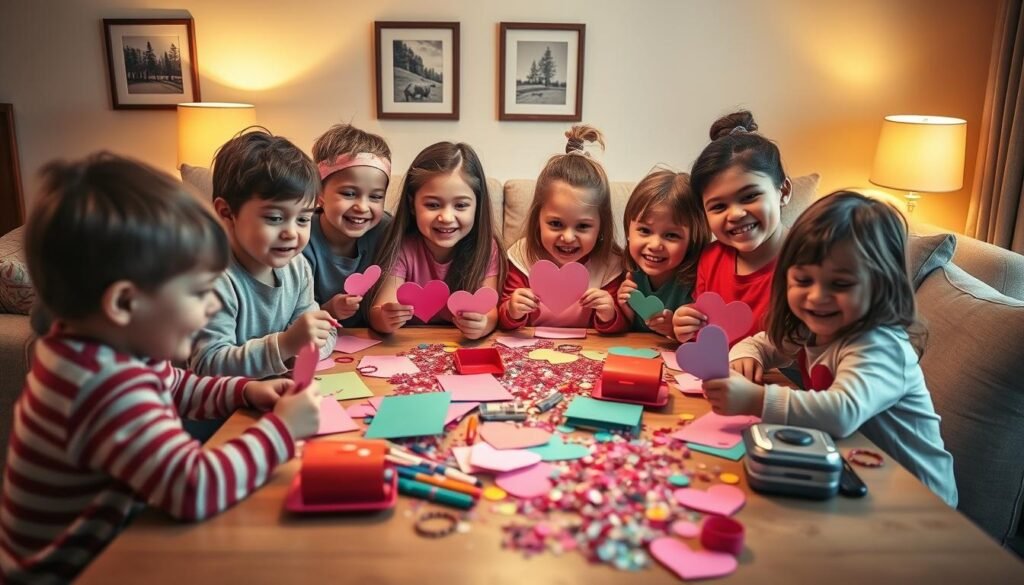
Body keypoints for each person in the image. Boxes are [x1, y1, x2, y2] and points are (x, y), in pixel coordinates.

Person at [0, 154, 321, 582]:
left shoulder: (101, 350)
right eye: (199, 292)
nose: (211, 306)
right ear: (124, 303)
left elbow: (178, 385)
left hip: (115, 544)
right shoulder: (102, 384)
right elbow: (193, 488)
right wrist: (282, 431)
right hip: (76, 572)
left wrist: (244, 391)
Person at [704, 191, 957, 506]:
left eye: (840, 284)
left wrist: (756, 399)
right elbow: (762, 343)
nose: (816, 297)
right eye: (803, 280)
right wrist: (746, 357)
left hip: (917, 500)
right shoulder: (810, 326)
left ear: (881, 284)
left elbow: (842, 412)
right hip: (851, 475)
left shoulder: (880, 344)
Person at [189, 128, 337, 377]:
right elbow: (208, 364)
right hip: (224, 411)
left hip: (275, 398)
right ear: (226, 213)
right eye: (275, 218)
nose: (291, 232)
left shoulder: (298, 267)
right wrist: (286, 344)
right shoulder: (213, 279)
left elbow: (324, 333)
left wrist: (303, 351)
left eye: (303, 219)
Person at [672, 111, 791, 343]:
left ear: (783, 192)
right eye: (718, 206)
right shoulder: (710, 259)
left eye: (750, 196)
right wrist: (686, 326)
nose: (736, 214)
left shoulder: (813, 262)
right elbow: (705, 334)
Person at [368, 141, 505, 339]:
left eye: (460, 206)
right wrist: (385, 318)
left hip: (460, 347)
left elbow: (490, 311)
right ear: (412, 205)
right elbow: (379, 310)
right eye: (433, 205)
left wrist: (483, 324)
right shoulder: (403, 247)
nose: (447, 217)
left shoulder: (486, 248)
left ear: (478, 205)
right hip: (407, 348)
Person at [498, 124, 627, 332]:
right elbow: (504, 318)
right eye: (556, 224)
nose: (567, 237)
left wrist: (609, 313)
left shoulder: (610, 263)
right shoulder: (522, 255)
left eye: (583, 226)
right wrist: (512, 309)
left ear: (601, 226)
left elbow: (621, 325)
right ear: (537, 219)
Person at [303, 123, 393, 327]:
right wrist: (328, 310)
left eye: (376, 197)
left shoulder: (387, 231)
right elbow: (290, 314)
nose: (362, 207)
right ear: (320, 193)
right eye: (349, 194)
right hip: (317, 339)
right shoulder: (302, 237)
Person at [616, 168, 710, 336]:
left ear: (693, 241)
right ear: (628, 231)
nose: (655, 245)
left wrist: (674, 331)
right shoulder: (628, 274)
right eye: (645, 230)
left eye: (671, 235)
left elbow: (703, 338)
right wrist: (624, 311)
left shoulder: (696, 285)